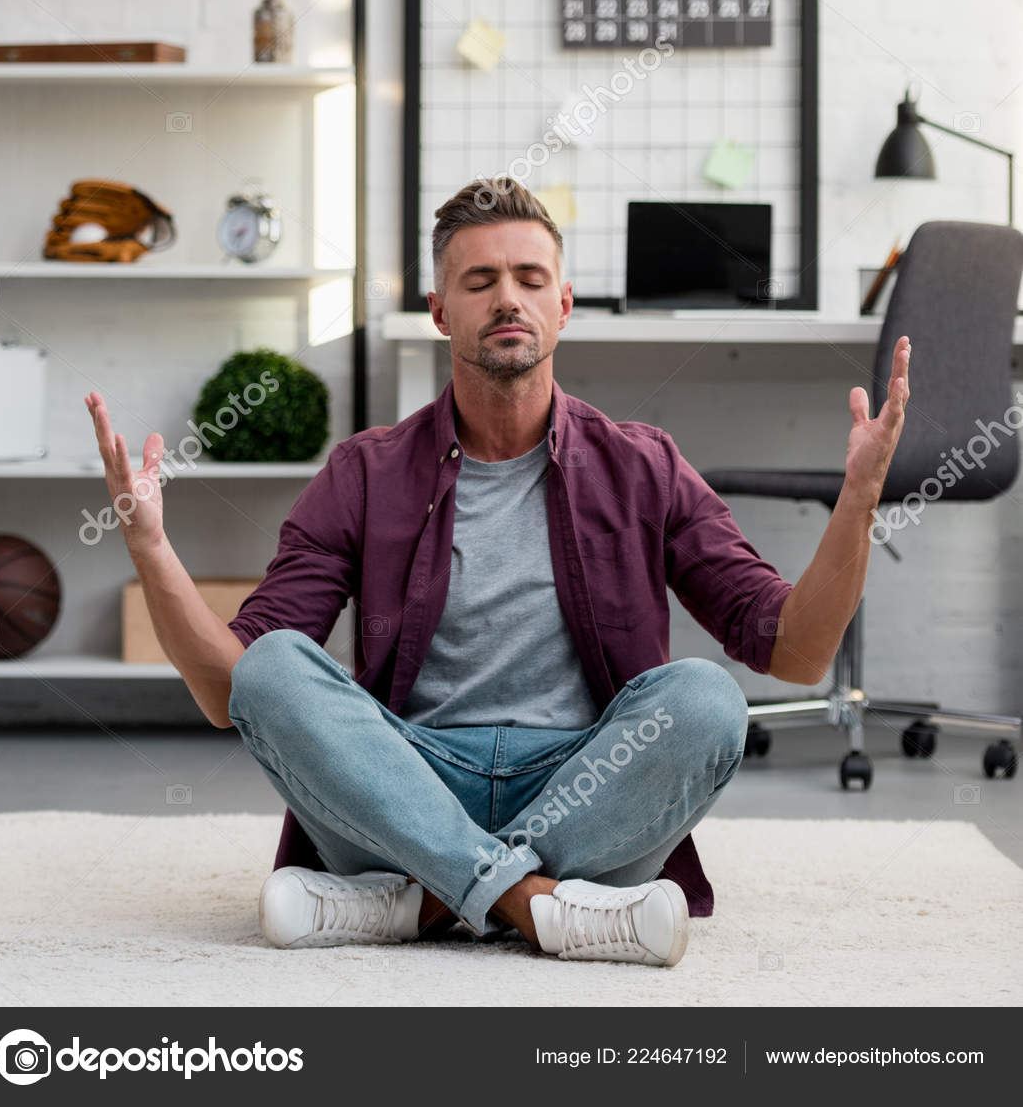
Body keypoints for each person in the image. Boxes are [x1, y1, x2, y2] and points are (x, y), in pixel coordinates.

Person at [85, 176, 910, 968]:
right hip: (406, 785)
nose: (507, 297)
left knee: (705, 699)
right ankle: (538, 906)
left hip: (585, 785)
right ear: (442, 313)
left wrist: (860, 500)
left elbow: (794, 653)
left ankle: (419, 902)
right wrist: (152, 550)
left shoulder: (643, 463)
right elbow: (233, 694)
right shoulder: (365, 472)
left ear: (563, 304)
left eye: (529, 277)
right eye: (479, 281)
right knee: (273, 670)